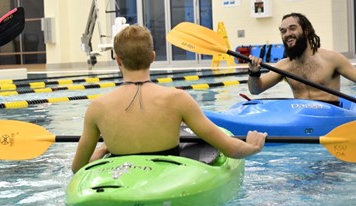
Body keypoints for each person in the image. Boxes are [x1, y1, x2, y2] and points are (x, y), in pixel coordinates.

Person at [72, 25, 267, 173]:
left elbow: (78, 168)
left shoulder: (97, 107)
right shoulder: (178, 99)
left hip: (120, 175)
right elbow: (230, 149)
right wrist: (253, 146)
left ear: (118, 60)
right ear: (153, 57)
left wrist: (102, 150)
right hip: (166, 175)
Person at [247, 12, 356, 105]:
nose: (287, 34)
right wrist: (253, 73)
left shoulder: (332, 59)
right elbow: (256, 90)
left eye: (292, 28)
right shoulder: (284, 66)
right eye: (283, 31)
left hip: (331, 118)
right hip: (302, 118)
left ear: (307, 30)